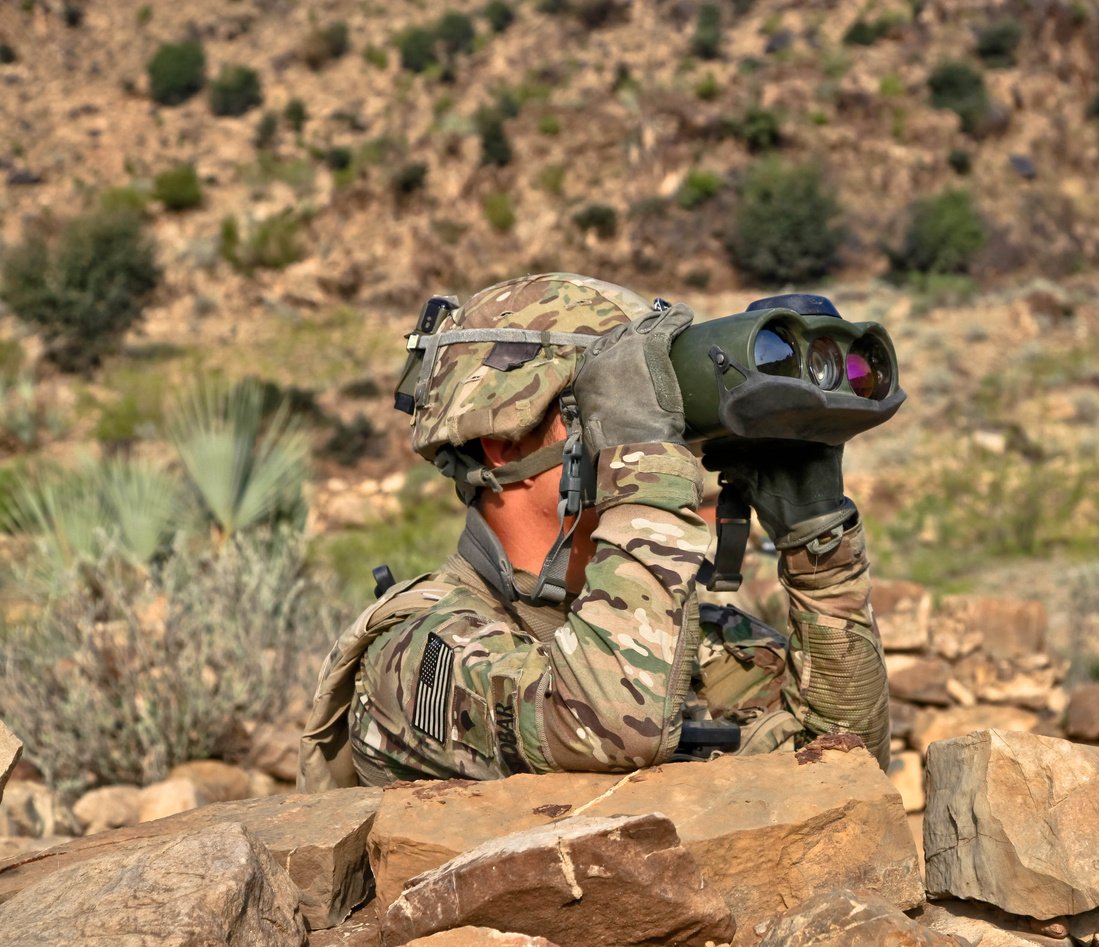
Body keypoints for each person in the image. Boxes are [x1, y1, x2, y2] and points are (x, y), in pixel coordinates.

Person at [298, 273, 890, 790]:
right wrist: (643, 471)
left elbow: (848, 776)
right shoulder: (416, 651)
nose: (654, 435)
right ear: (503, 441)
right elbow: (604, 726)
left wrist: (820, 551)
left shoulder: (706, 641)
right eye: (607, 406)